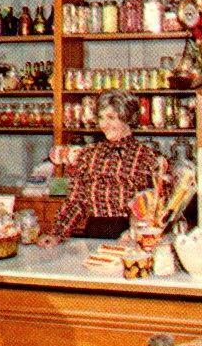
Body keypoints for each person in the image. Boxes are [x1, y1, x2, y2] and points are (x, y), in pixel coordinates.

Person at [38, 89, 168, 246]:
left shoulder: (146, 156)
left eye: (111, 117)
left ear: (127, 117)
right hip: (94, 233)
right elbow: (76, 201)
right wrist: (56, 234)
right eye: (101, 118)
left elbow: (159, 206)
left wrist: (136, 231)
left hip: (130, 236)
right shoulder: (89, 154)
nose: (104, 124)